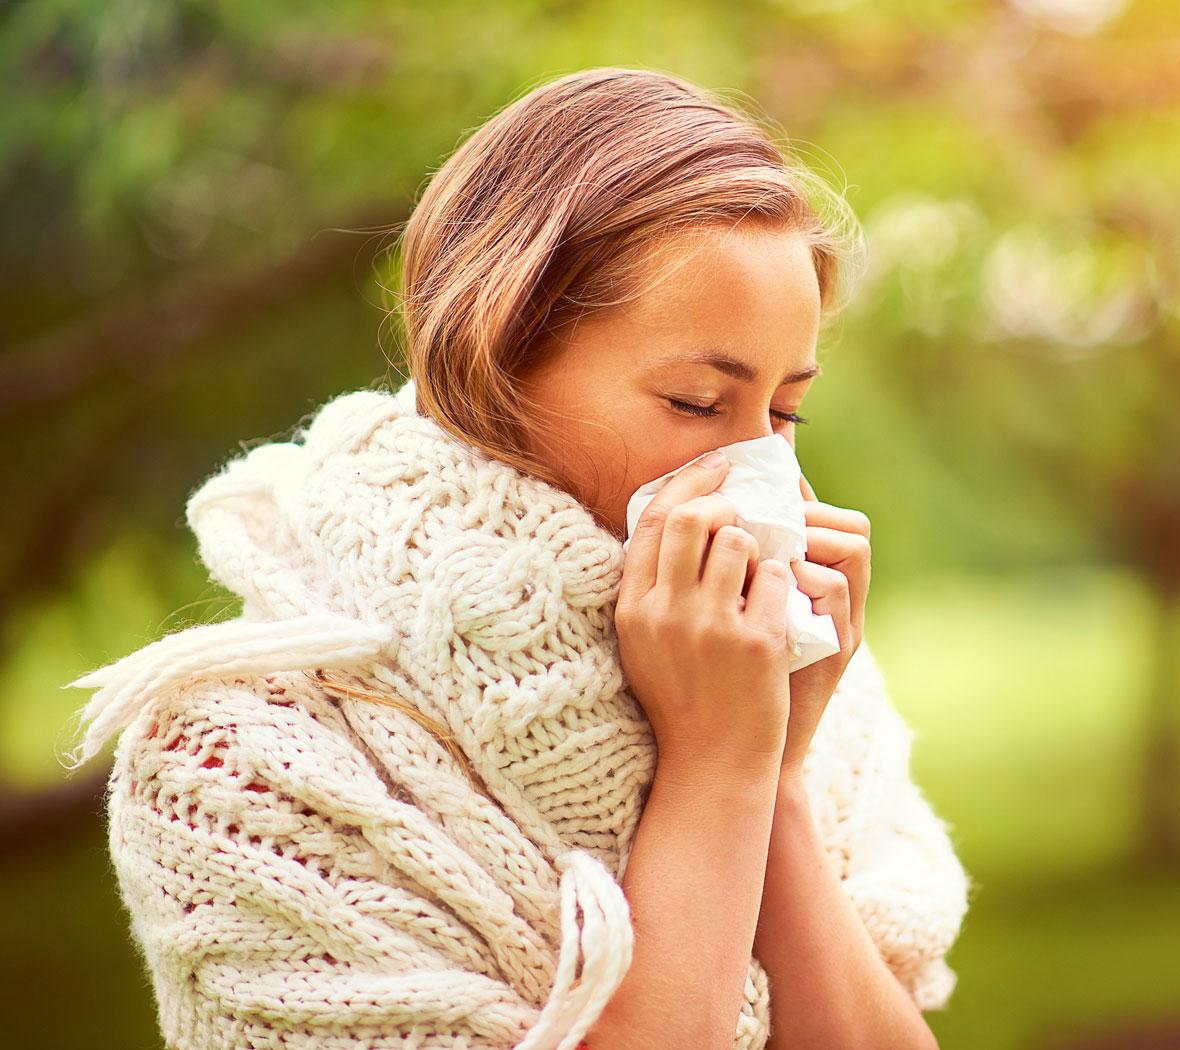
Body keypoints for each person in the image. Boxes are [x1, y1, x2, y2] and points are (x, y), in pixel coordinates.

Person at [60, 66, 970, 1050]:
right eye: (698, 404)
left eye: (783, 410)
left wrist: (772, 767)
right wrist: (709, 774)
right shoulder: (240, 759)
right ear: (497, 359)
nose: (760, 472)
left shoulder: (782, 675)